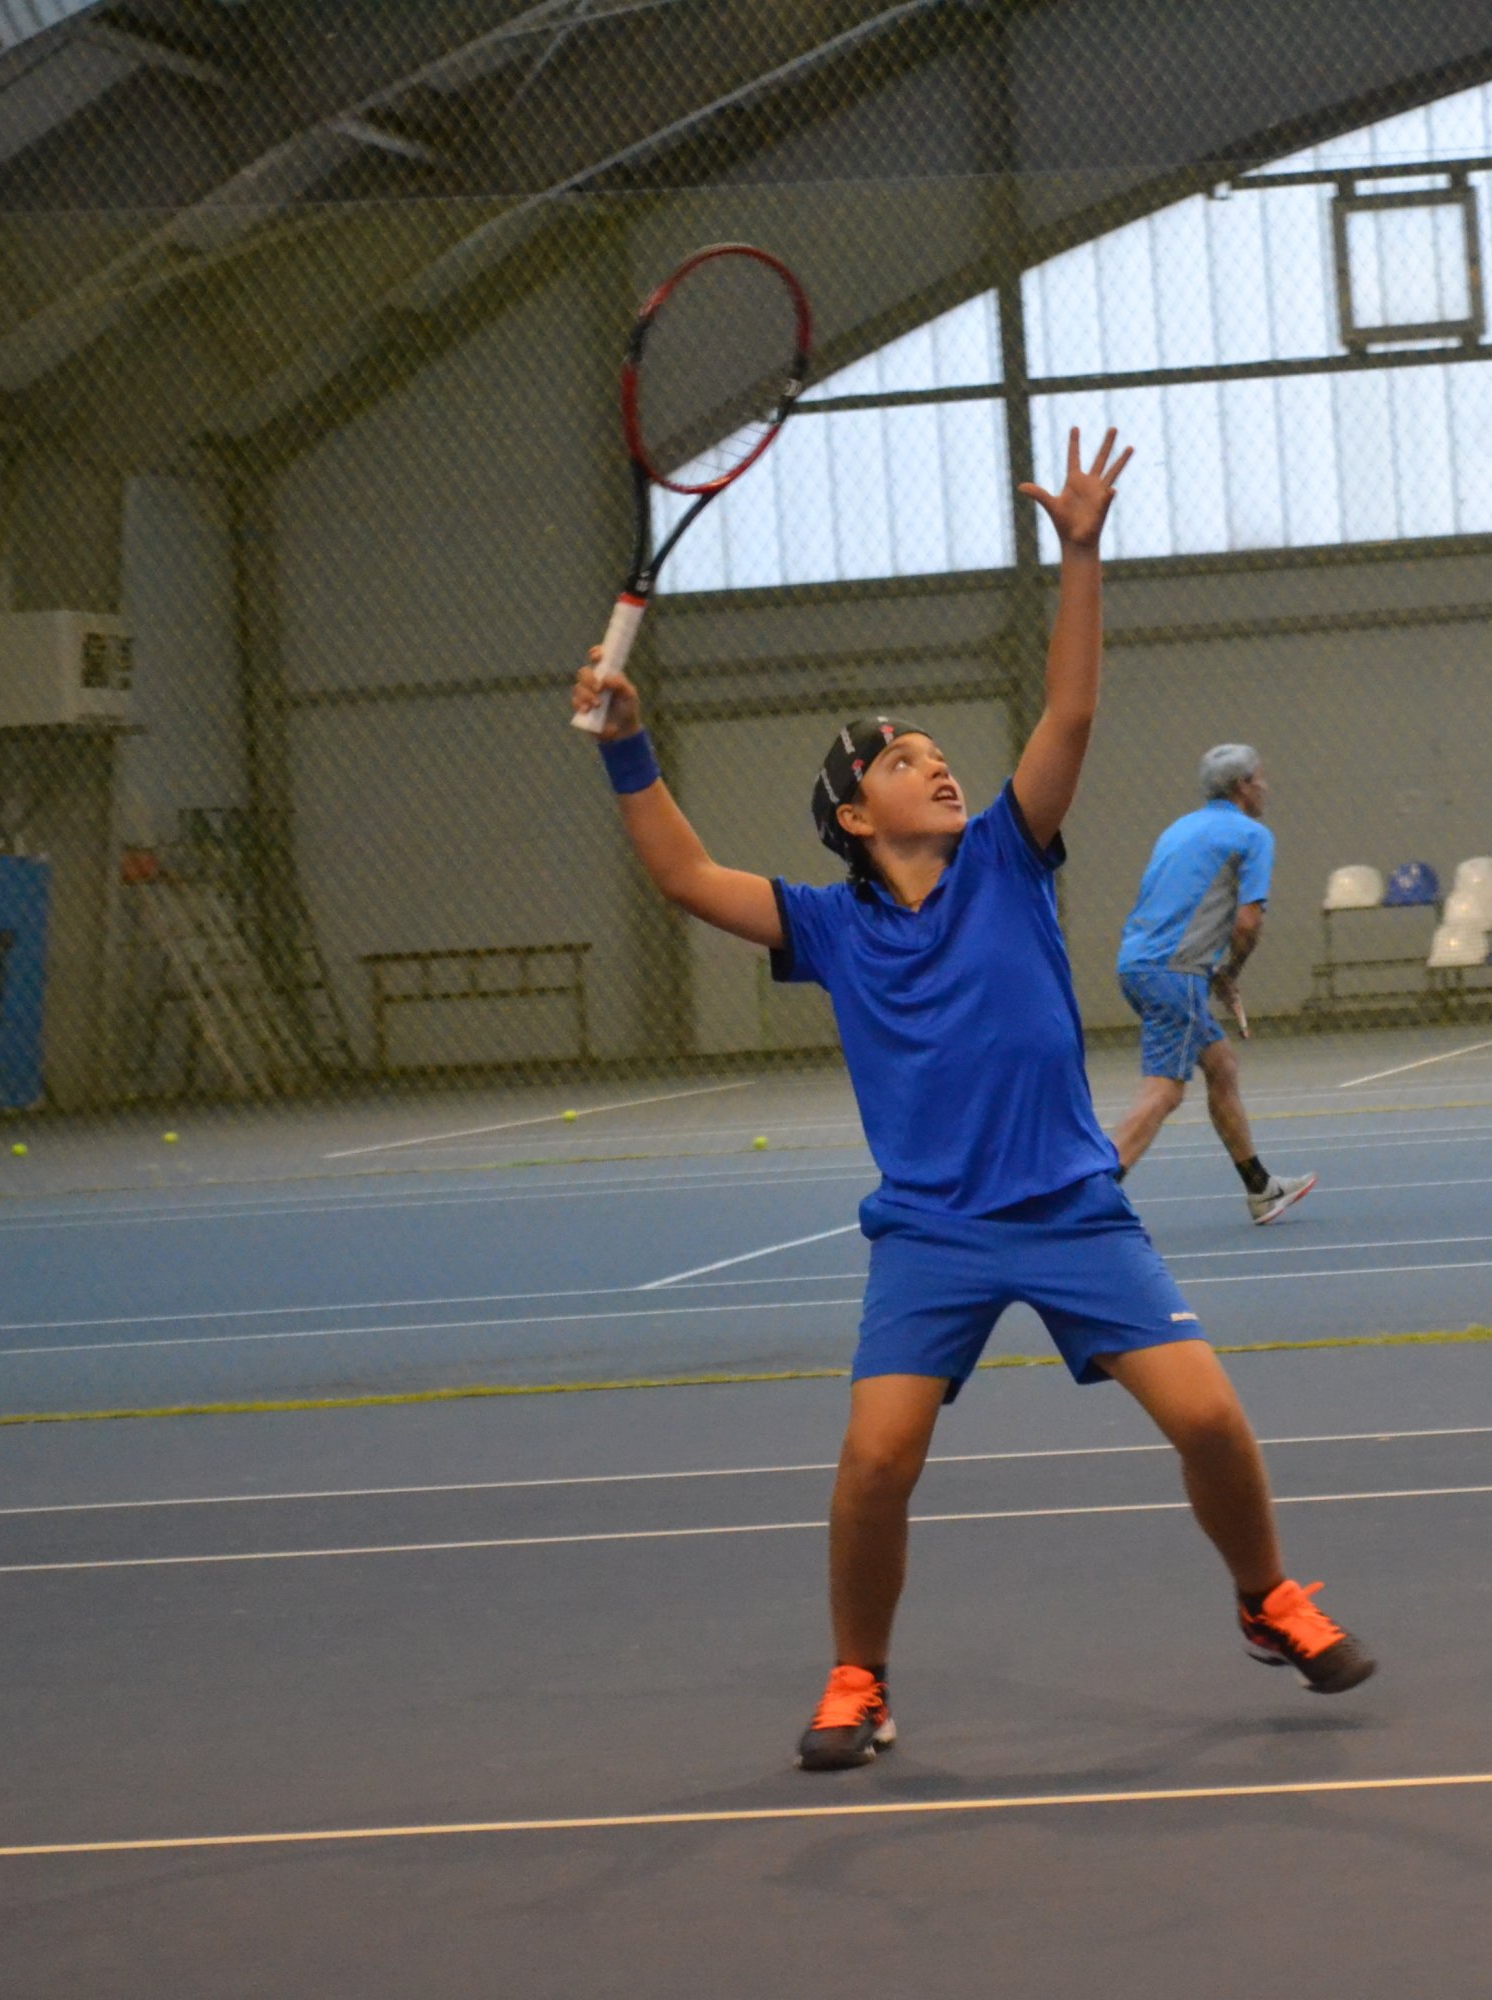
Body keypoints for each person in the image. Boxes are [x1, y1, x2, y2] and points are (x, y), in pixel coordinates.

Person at [571, 428, 1373, 1777]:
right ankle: (860, 1679)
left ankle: (1266, 1596)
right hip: (933, 1232)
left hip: (1071, 1209)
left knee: (1209, 1419)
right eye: (904, 762)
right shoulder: (826, 925)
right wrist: (626, 747)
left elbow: (1070, 716)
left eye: (943, 754)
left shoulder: (1009, 854)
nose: (939, 767)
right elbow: (685, 878)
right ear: (852, 815)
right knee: (876, 1459)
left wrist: (1081, 553)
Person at [1109, 743, 1316, 1222]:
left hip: (1136, 966)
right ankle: (1090, 1192)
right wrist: (1230, 973)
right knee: (1165, 1091)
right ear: (1243, 786)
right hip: (1174, 974)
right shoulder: (1252, 835)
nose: (1266, 787)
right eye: (1261, 778)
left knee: (1221, 1064)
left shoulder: (1179, 829)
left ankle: (1261, 1187)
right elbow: (1248, 922)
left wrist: (1214, 972)